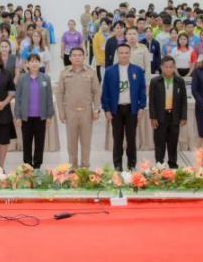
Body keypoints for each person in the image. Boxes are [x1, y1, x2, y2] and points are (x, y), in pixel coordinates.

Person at [102, 43, 147, 171]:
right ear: (117, 54)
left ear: (130, 53)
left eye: (126, 53)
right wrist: (106, 109)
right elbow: (105, 92)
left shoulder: (137, 70)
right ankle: (117, 165)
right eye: (121, 53)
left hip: (132, 109)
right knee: (117, 139)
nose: (124, 55)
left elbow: (142, 90)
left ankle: (132, 164)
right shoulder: (110, 71)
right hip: (115, 110)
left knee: (131, 139)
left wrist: (141, 107)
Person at [56, 47, 101, 168]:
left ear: (84, 57)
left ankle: (85, 167)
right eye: (74, 55)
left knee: (86, 142)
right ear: (70, 58)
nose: (77, 58)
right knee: (71, 142)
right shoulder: (64, 73)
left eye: (80, 55)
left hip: (86, 112)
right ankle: (73, 167)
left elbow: (96, 92)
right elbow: (59, 93)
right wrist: (61, 112)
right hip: (70, 112)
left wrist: (96, 110)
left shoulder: (91, 72)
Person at [14, 54, 56, 169]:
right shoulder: (22, 79)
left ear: (40, 63)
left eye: (36, 61)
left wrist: (49, 116)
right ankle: (27, 166)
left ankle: (37, 166)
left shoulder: (45, 78)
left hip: (41, 117)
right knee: (26, 143)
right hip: (26, 117)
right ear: (27, 64)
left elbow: (49, 98)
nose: (34, 63)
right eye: (31, 61)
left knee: (39, 143)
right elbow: (18, 98)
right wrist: (18, 116)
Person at [148, 56, 187, 168]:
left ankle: (172, 163)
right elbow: (151, 101)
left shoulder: (180, 81)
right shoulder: (155, 81)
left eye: (171, 67)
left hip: (174, 116)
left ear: (174, 67)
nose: (169, 69)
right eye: (166, 67)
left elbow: (183, 100)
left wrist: (183, 116)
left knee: (173, 141)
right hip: (160, 116)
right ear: (161, 67)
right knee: (159, 142)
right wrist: (153, 117)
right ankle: (159, 163)